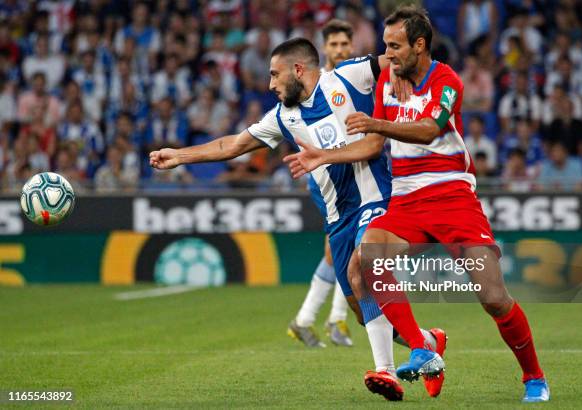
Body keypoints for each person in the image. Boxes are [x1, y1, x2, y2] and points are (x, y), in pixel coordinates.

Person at [284, 6, 549, 403]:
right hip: (406, 198)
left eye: (395, 47)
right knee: (365, 261)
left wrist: (377, 123)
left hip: (452, 196)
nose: (388, 55)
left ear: (419, 45)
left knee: (493, 297)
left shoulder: (447, 80)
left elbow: (428, 130)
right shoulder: (388, 83)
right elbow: (374, 145)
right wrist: (323, 156)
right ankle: (422, 346)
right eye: (385, 46)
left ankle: (534, 377)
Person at [151, 37, 436, 402]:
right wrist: (180, 156)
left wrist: (399, 73)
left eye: (274, 74)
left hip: (377, 198)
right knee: (364, 312)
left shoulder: (346, 78)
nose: (270, 84)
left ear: (298, 69)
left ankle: (387, 371)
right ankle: (427, 340)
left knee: (362, 269)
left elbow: (396, 56)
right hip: (338, 220)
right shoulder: (283, 118)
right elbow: (233, 145)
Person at [287, 19, 356, 349]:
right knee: (345, 247)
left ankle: (313, 320)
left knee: (343, 249)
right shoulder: (317, 84)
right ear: (324, 48)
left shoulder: (354, 79)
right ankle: (328, 319)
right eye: (334, 45)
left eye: (345, 44)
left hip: (352, 176)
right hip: (328, 180)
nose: (340, 50)